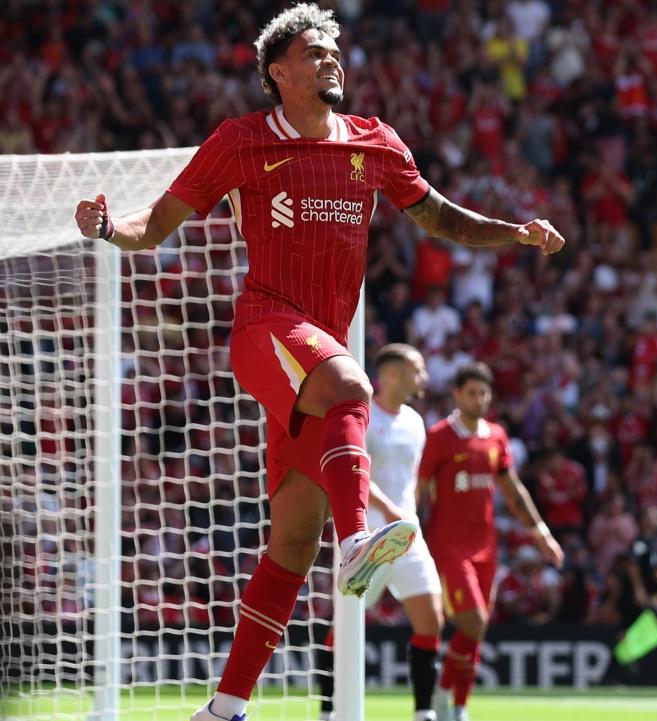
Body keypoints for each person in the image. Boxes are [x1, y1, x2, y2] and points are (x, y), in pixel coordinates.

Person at [71, 6, 565, 720]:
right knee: (353, 382)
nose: (333, 59)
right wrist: (109, 228)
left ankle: (225, 705)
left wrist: (512, 231)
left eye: (336, 49)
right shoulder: (240, 142)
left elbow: (439, 216)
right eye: (315, 51)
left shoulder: (375, 142)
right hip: (266, 327)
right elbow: (158, 224)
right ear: (280, 72)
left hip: (315, 359)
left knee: (292, 542)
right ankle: (358, 538)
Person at [420, 362, 564, 721]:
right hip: (448, 545)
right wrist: (411, 535)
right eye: (472, 392)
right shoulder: (439, 436)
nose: (480, 399)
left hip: (486, 546)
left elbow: (512, 488)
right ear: (456, 393)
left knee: (477, 629)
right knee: (474, 621)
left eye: (484, 393)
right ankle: (441, 694)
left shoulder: (496, 436)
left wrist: (540, 531)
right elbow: (419, 490)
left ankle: (459, 706)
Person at [316, 344, 443, 721]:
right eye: (416, 369)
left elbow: (411, 480)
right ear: (390, 374)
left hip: (408, 535)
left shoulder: (416, 422)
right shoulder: (364, 416)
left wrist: (409, 514)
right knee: (345, 626)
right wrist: (388, 510)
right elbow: (354, 470)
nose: (424, 376)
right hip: (368, 534)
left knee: (432, 619)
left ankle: (424, 713)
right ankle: (327, 711)